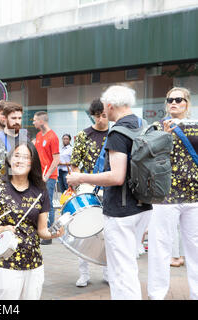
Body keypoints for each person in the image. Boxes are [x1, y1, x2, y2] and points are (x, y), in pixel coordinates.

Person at [67, 85, 153, 300]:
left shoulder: (117, 132)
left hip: (121, 210)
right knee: (129, 265)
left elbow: (116, 176)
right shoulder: (144, 125)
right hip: (143, 205)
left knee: (120, 271)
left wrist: (81, 178)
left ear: (111, 105)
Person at [0, 140, 64, 300]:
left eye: (26, 157)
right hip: (6, 262)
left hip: (34, 262)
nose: (20, 160)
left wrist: (54, 234)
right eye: (16, 156)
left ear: (32, 162)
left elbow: (42, 231)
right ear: (9, 160)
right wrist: (1, 229)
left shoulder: (40, 190)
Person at [147, 87, 198, 300]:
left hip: (195, 195)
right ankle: (156, 294)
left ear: (187, 103)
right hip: (164, 195)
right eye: (170, 99)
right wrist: (163, 137)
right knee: (160, 247)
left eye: (179, 99)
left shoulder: (196, 126)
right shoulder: (156, 127)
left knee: (195, 247)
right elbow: (146, 155)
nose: (174, 103)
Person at [69, 99, 109, 287]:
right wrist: (80, 186)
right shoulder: (83, 135)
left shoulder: (115, 133)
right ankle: (83, 273)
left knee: (108, 231)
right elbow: (75, 163)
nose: (101, 119)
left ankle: (108, 270)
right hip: (88, 186)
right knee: (84, 229)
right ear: (92, 115)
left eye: (104, 115)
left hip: (110, 187)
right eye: (97, 115)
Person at [32, 111, 59, 240]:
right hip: (38, 176)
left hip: (48, 177)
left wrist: (47, 176)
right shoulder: (38, 135)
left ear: (41, 121)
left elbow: (56, 159)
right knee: (38, 203)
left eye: (35, 120)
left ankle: (48, 235)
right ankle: (40, 230)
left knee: (48, 205)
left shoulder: (52, 137)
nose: (33, 122)